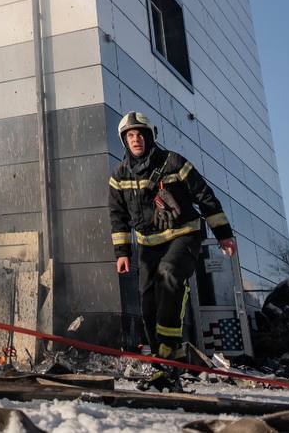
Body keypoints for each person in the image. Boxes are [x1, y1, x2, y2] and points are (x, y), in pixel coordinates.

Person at [108, 111, 237, 391]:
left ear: (150, 136)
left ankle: (167, 354)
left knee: (169, 276)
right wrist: (122, 252)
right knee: (148, 302)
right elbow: (117, 216)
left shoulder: (175, 164)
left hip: (183, 236)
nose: (136, 139)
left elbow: (205, 197)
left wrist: (223, 235)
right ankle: (164, 362)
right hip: (148, 244)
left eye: (141, 133)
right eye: (130, 135)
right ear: (124, 140)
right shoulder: (119, 176)